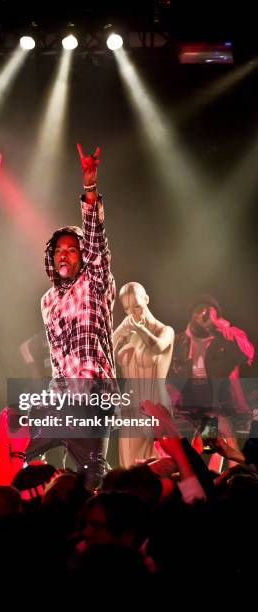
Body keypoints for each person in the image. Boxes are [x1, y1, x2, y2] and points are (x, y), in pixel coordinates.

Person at [22, 144, 116, 488]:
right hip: (62, 393)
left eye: (71, 250)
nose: (64, 255)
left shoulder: (94, 281)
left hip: (93, 392)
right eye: (58, 251)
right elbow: (58, 358)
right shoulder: (47, 300)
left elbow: (96, 241)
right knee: (33, 459)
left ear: (82, 256)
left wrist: (90, 189)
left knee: (90, 470)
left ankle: (97, 522)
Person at [169, 294, 254, 469]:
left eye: (211, 311)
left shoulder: (224, 340)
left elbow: (248, 353)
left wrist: (223, 327)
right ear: (191, 314)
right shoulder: (178, 341)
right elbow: (168, 374)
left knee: (214, 450)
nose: (205, 314)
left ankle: (228, 483)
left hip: (214, 409)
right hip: (187, 410)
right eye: (200, 310)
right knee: (193, 453)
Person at [113, 282, 174, 467]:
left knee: (161, 466)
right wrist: (118, 332)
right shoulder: (125, 336)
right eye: (126, 309)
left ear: (146, 299)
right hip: (131, 408)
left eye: (137, 306)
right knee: (129, 469)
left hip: (156, 405)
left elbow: (157, 347)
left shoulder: (165, 330)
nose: (132, 313)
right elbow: (101, 355)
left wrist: (140, 329)